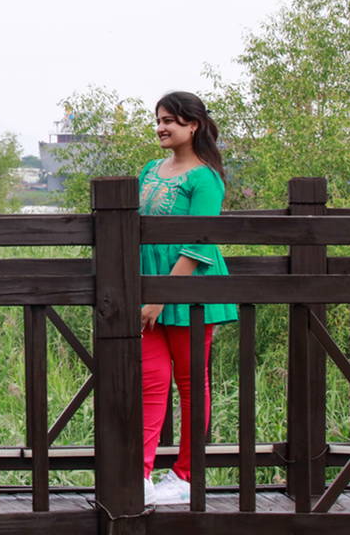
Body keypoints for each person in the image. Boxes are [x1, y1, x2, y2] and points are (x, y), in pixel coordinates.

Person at [139, 91, 237, 506]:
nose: (161, 127)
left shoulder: (205, 178)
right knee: (150, 380)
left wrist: (163, 295)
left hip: (190, 291)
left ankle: (186, 476)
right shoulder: (149, 170)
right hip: (148, 292)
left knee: (191, 384)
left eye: (170, 121)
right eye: (158, 120)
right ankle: (139, 474)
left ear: (192, 125)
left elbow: (200, 243)